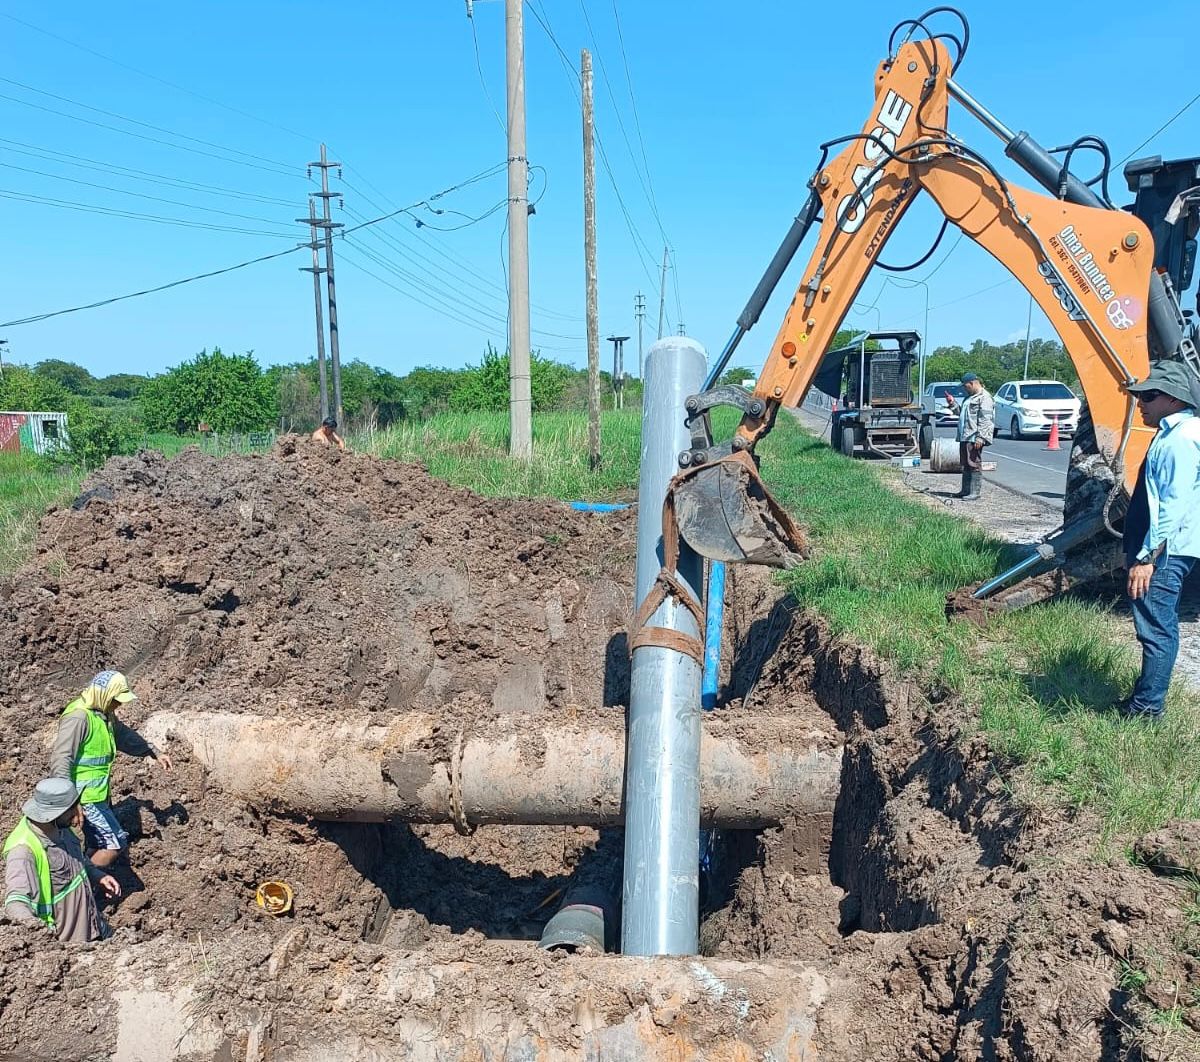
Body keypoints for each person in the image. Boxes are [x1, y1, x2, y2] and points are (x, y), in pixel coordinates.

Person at [1119, 360, 1200, 721]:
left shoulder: (1181, 438)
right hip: (1173, 547)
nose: (1141, 403)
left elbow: (1173, 501)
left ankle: (1147, 709)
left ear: (1173, 399)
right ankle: (1145, 699)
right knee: (1156, 625)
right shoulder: (1176, 433)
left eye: (1148, 396)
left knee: (1156, 628)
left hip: (1166, 551)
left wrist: (1148, 557)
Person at [49, 671, 171, 868]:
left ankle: (87, 889)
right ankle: (81, 890)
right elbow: (62, 759)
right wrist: (69, 801)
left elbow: (123, 735)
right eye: (116, 700)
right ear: (104, 695)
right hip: (84, 798)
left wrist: (152, 751)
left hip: (98, 794)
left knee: (96, 843)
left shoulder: (103, 714)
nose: (119, 704)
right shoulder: (79, 717)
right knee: (113, 843)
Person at [3, 777, 121, 941]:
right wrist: (40, 939)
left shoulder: (59, 827)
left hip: (94, 924)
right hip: (71, 944)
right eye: (72, 808)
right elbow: (16, 903)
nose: (78, 812)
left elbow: (75, 859)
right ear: (55, 812)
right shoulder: (23, 852)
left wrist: (97, 875)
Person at [945, 372, 995, 500]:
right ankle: (965, 490)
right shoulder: (969, 397)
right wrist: (953, 404)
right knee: (966, 463)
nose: (964, 389)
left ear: (972, 383)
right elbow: (962, 414)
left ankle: (974, 492)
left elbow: (986, 420)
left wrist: (981, 437)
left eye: (965, 386)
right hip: (965, 435)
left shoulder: (985, 398)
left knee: (974, 463)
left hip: (974, 436)